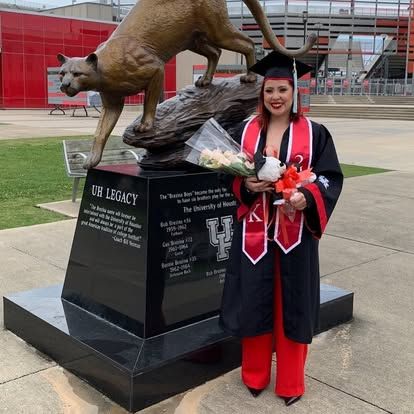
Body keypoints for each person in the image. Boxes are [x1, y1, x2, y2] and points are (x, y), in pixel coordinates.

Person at [219, 51, 343, 406]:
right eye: (269, 90)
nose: (275, 97)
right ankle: (254, 375)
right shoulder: (244, 131)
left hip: (295, 236)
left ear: (294, 93)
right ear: (262, 93)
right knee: (253, 299)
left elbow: (330, 177)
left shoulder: (314, 133)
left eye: (282, 91)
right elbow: (224, 174)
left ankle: (291, 382)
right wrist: (245, 187)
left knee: (292, 303)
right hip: (254, 235)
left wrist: (307, 195)